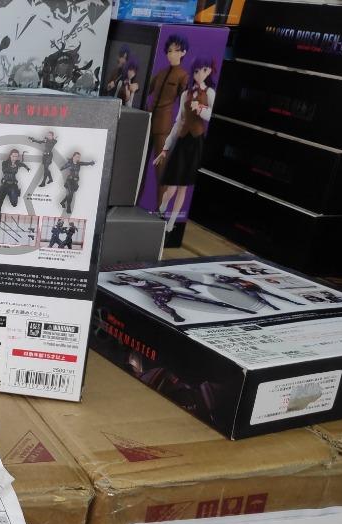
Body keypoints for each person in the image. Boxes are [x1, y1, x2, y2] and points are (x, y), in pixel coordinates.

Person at [154, 58, 216, 232]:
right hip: (182, 141)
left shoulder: (210, 93)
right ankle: (163, 206)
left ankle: (172, 222)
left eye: (203, 70)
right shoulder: (185, 94)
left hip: (196, 142)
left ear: (209, 71)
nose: (199, 74)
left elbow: (212, 116)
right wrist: (166, 148)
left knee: (183, 187)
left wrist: (201, 109)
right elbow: (179, 121)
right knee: (172, 186)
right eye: (196, 71)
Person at [109, 273, 255, 323]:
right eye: (124, 278)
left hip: (167, 290)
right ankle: (174, 315)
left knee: (201, 299)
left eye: (126, 277)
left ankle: (233, 307)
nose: (126, 278)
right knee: (159, 304)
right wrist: (118, 282)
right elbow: (123, 282)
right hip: (160, 295)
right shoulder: (131, 282)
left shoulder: (139, 280)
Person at [147, 35, 189, 183]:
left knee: (161, 168)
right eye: (170, 51)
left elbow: (185, 103)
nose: (172, 54)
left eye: (176, 50)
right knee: (139, 162)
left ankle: (162, 198)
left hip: (164, 125)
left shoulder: (183, 76)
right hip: (148, 120)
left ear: (183, 52)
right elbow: (147, 89)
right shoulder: (161, 73)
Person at [212, 274, 304, 310]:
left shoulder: (232, 278)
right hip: (247, 289)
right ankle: (273, 307)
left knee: (274, 295)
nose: (223, 277)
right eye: (221, 277)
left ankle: (293, 302)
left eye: (222, 276)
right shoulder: (227, 280)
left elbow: (233, 278)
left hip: (252, 287)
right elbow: (226, 280)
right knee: (260, 299)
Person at [0, 149, 31, 218]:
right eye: (13, 156)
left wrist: (27, 168)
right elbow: (4, 170)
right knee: (1, 199)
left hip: (13, 184)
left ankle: (12, 194)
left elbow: (23, 164)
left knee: (14, 204)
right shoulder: (5, 163)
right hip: (5, 183)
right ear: (10, 156)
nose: (15, 158)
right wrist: (12, 166)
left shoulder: (17, 163)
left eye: (16, 156)